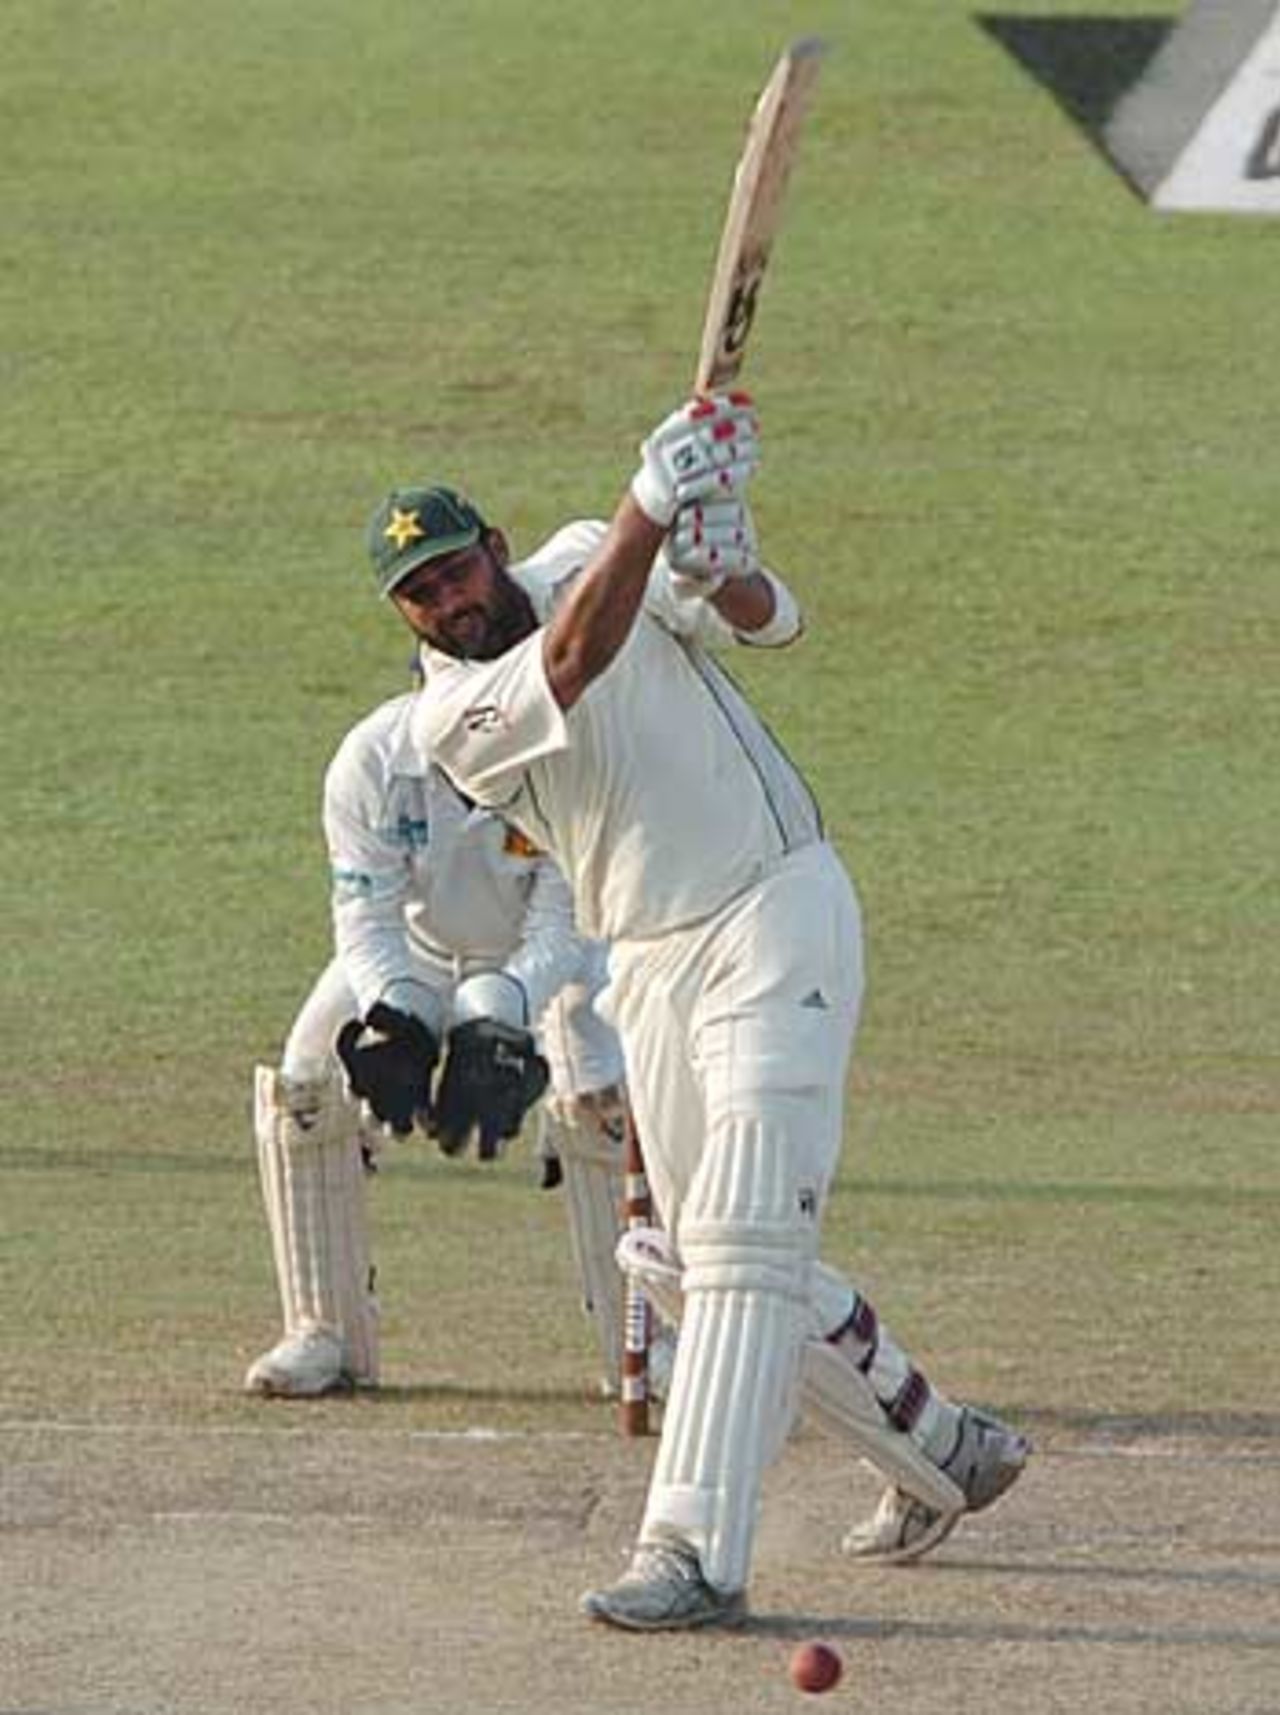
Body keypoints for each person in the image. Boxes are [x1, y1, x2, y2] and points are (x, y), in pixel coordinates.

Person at [362, 394, 1029, 1631]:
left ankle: (690, 1551)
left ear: (495, 546)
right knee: (678, 1258)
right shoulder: (447, 718)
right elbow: (573, 656)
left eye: (456, 569)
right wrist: (650, 504)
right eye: (421, 594)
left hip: (775, 907)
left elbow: (772, 624)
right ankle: (943, 1448)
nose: (448, 601)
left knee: (734, 1239)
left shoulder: (581, 549)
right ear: (404, 616)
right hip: (652, 958)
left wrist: (721, 558)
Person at [244, 675, 657, 1403]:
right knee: (306, 1077)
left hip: (553, 966)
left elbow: (563, 922)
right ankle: (323, 1330)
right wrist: (395, 1015)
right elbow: (366, 915)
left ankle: (643, 1344)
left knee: (603, 1094)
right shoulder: (371, 758)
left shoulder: (564, 755)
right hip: (415, 954)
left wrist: (498, 1011)